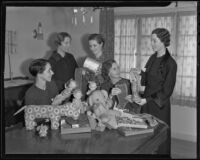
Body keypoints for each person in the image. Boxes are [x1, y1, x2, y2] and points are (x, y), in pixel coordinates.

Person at [132, 28, 177, 154]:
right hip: (146, 101)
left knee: (159, 136)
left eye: (154, 41)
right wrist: (139, 73)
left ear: (163, 41)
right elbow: (147, 79)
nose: (151, 43)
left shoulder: (171, 63)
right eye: (151, 40)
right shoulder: (152, 57)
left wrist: (146, 100)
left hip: (159, 105)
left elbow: (167, 90)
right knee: (146, 134)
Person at [75, 33, 108, 100]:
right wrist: (84, 74)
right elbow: (89, 79)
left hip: (101, 93)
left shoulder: (106, 61)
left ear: (101, 44)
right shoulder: (91, 61)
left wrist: (98, 75)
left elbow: (107, 81)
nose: (92, 48)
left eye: (94, 45)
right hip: (90, 91)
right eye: (90, 46)